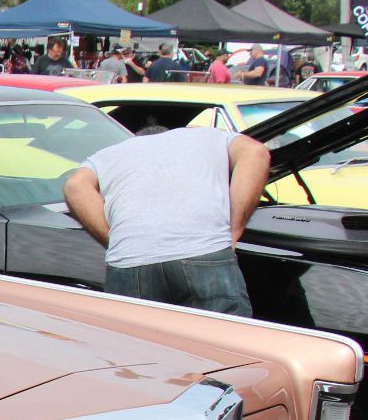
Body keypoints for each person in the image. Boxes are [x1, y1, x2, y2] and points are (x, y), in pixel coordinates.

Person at [62, 125, 270, 316]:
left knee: (138, 351)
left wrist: (114, 239)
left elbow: (74, 186)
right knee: (225, 348)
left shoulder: (108, 155)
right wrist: (234, 230)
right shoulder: (208, 136)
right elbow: (256, 152)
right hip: (202, 251)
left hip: (129, 263)